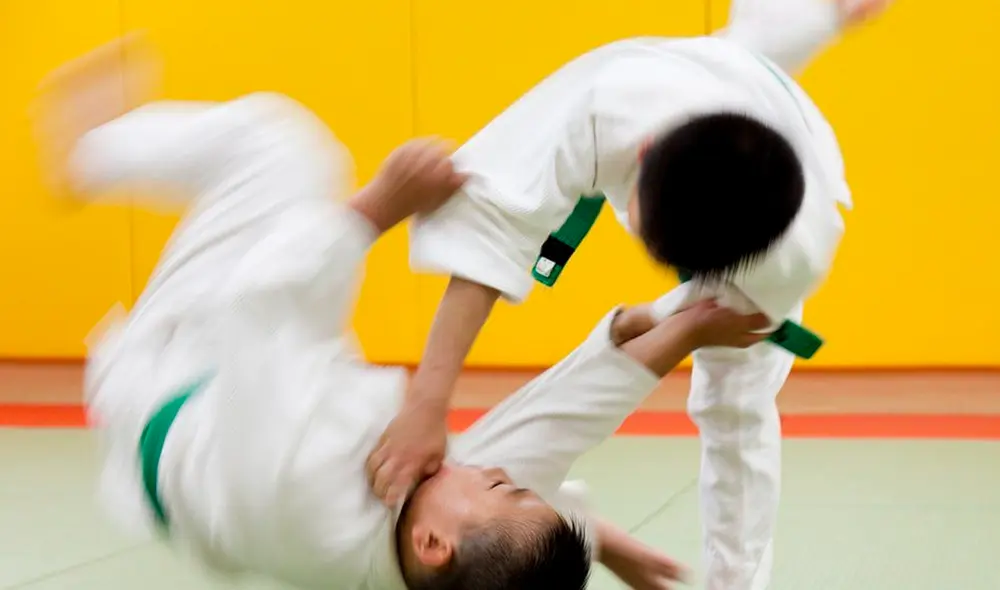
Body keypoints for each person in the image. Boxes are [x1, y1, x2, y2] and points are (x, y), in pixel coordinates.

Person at [34, 36, 774, 590]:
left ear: (432, 544)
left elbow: (258, 303)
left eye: (501, 487)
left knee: (283, 149)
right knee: (495, 472)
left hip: (180, 374)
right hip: (254, 411)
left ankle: (90, 154)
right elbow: (557, 427)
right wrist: (678, 331)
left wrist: (378, 207)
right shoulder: (442, 539)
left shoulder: (301, 486)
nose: (495, 471)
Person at [366, 0, 894, 589]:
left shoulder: (794, 252)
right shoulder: (606, 101)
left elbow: (728, 357)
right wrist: (428, 402)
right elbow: (491, 225)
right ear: (642, 155)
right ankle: (825, 13)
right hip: (691, 80)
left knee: (736, 407)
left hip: (767, 122)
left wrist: (671, 315)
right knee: (742, 52)